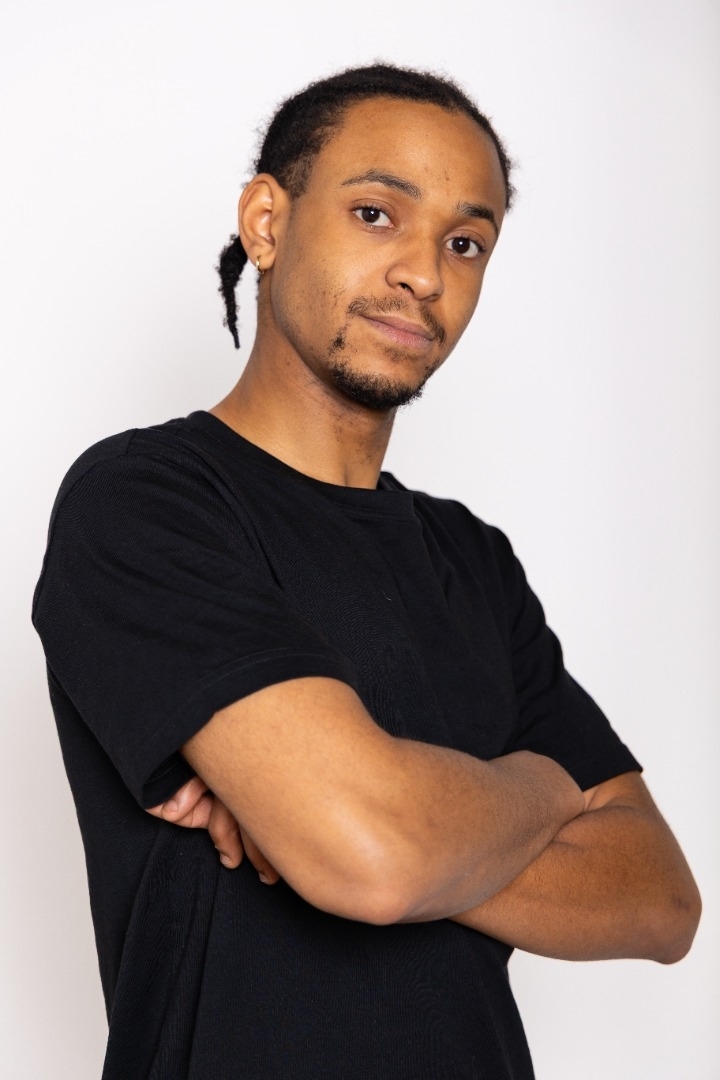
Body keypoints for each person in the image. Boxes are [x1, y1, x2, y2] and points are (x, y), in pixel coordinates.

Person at [33, 64, 700, 1079]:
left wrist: (362, 836)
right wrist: (539, 788)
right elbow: (374, 859)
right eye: (377, 213)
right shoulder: (145, 501)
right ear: (267, 222)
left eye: (465, 242)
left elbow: (662, 901)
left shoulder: (471, 558)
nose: (425, 274)